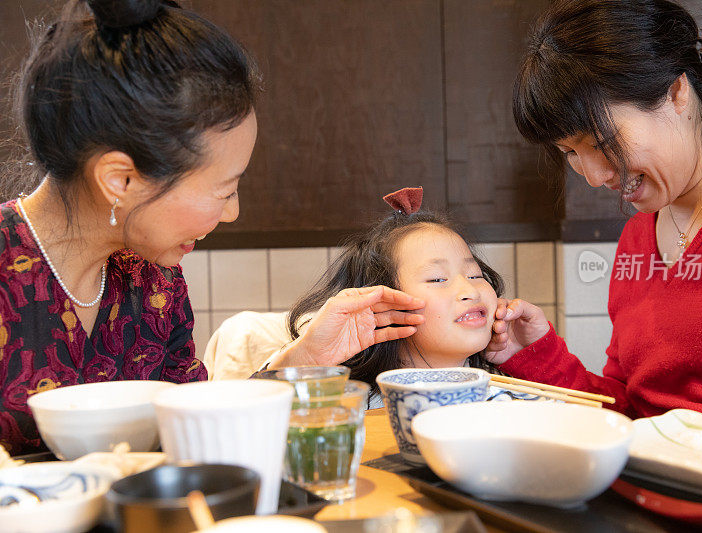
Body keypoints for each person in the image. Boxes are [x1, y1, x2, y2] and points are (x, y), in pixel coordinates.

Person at [1, 0, 424, 455]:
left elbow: (195, 431)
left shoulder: (154, 278)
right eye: (224, 190)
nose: (232, 213)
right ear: (120, 180)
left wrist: (303, 359)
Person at [484, 0, 702, 423]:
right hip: (645, 482)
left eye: (599, 141)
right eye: (570, 153)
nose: (593, 176)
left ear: (676, 92)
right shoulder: (638, 238)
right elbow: (630, 406)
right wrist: (535, 355)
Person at [273, 188, 506, 401]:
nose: (470, 291)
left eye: (475, 275)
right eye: (437, 279)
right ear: (381, 303)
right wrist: (305, 357)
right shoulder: (347, 406)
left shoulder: (509, 393)